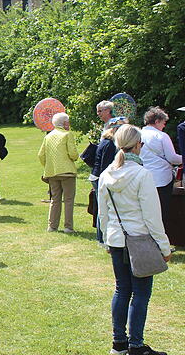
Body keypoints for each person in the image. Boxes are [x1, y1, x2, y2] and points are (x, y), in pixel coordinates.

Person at [97, 124, 172, 355]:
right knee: (140, 293)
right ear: (138, 145)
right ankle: (136, 345)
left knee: (121, 290)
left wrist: (107, 239)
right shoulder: (142, 174)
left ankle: (119, 343)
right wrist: (164, 246)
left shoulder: (106, 174)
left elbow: (103, 213)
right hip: (139, 239)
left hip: (117, 239)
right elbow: (152, 217)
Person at [139, 107, 182, 223]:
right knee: (161, 212)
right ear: (157, 121)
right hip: (161, 179)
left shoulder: (138, 134)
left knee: (146, 212)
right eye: (163, 123)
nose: (164, 126)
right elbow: (172, 158)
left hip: (143, 178)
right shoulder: (162, 136)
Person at [38, 112, 79, 233]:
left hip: (52, 173)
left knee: (55, 199)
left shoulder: (48, 136)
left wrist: (48, 165)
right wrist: (75, 157)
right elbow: (73, 154)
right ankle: (68, 226)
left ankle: (52, 226)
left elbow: (41, 155)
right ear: (65, 123)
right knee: (68, 200)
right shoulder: (67, 135)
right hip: (67, 172)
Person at [90, 117, 128, 242]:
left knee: (102, 207)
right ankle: (102, 238)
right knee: (103, 207)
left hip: (98, 176)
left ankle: (101, 237)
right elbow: (104, 166)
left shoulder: (107, 141)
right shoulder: (110, 144)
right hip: (100, 177)